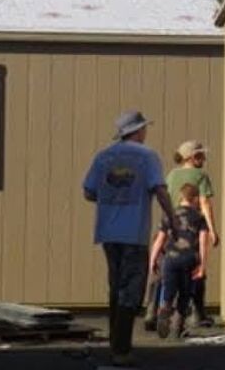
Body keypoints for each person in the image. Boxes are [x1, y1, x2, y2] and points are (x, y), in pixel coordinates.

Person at [83, 111, 175, 367]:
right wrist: (174, 221)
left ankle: (116, 342)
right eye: (144, 128)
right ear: (138, 131)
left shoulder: (103, 156)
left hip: (108, 233)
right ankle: (121, 350)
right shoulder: (147, 156)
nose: (146, 133)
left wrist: (112, 198)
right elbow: (160, 190)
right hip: (134, 232)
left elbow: (88, 192)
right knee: (131, 291)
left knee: (116, 286)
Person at [156, 141, 218, 330]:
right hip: (191, 226)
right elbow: (205, 203)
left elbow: (164, 197)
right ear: (191, 157)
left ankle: (157, 308)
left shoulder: (171, 175)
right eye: (200, 156)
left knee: (167, 267)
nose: (204, 159)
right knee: (196, 269)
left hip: (171, 224)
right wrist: (211, 229)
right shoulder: (200, 176)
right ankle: (195, 314)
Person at [147, 183, 209, 340]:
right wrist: (202, 265)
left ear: (181, 196)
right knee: (185, 294)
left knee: (169, 291)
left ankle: (164, 311)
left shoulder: (170, 214)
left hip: (171, 258)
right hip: (189, 259)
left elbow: (160, 239)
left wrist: (153, 259)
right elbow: (203, 242)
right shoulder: (199, 217)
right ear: (195, 199)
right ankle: (176, 328)